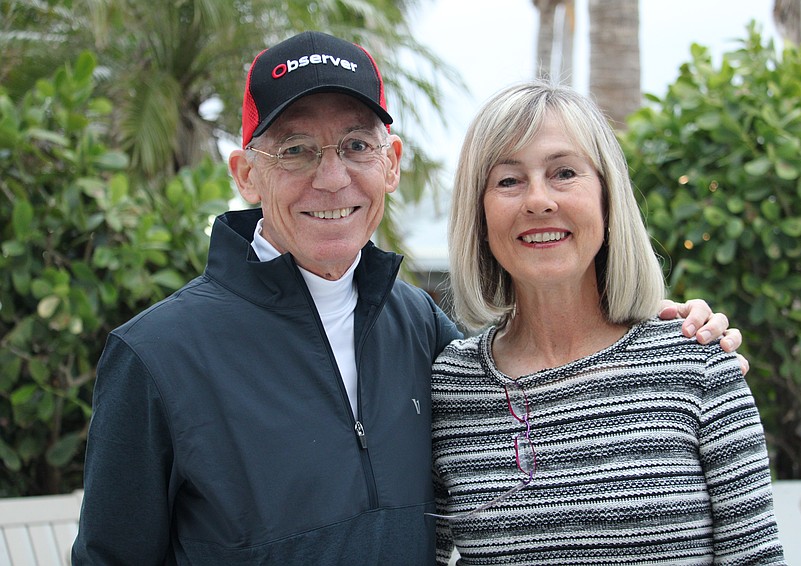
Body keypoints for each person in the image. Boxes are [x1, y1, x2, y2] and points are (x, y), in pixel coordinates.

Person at [71, 32, 742, 564]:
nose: (332, 178)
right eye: (296, 150)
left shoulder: (423, 331)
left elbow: (545, 378)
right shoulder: (155, 356)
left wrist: (663, 329)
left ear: (390, 163)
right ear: (246, 174)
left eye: (355, 145)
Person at [431, 81, 786, 565]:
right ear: (479, 214)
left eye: (564, 173)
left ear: (607, 198)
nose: (538, 200)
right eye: (508, 180)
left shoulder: (697, 360)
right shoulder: (451, 385)